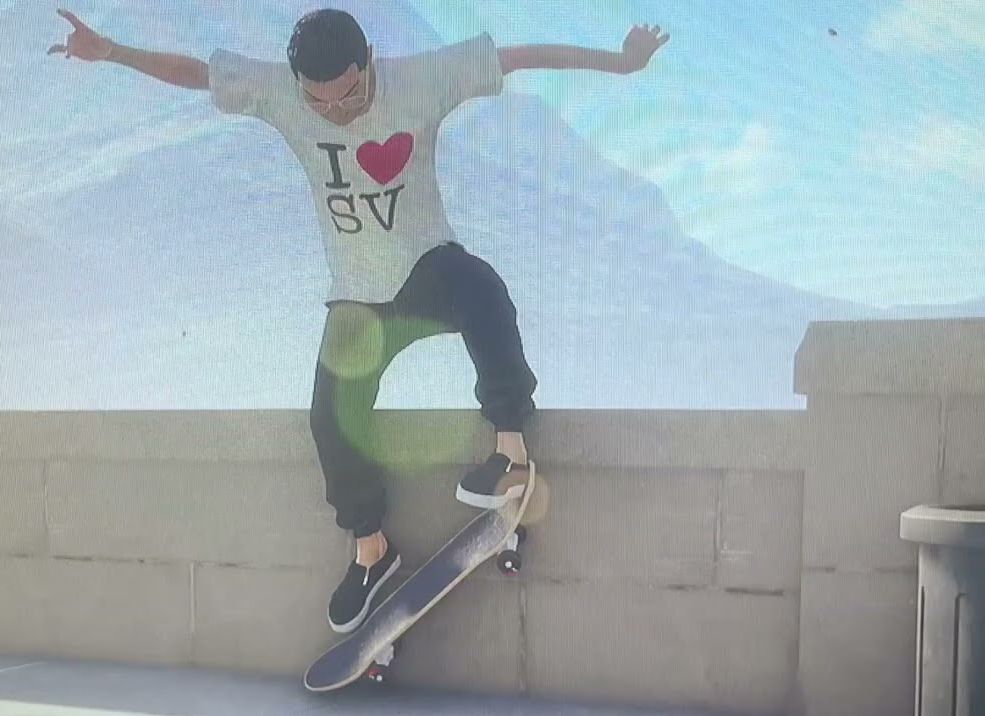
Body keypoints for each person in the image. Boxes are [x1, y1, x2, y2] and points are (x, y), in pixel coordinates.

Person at [49, 7, 669, 634]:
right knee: (330, 419)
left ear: (368, 60)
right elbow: (199, 74)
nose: (339, 110)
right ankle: (371, 552)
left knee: (484, 292)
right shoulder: (281, 94)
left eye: (350, 93)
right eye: (322, 102)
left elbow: (522, 56)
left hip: (426, 267)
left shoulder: (420, 79)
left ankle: (508, 453)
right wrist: (110, 52)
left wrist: (618, 63)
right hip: (356, 298)